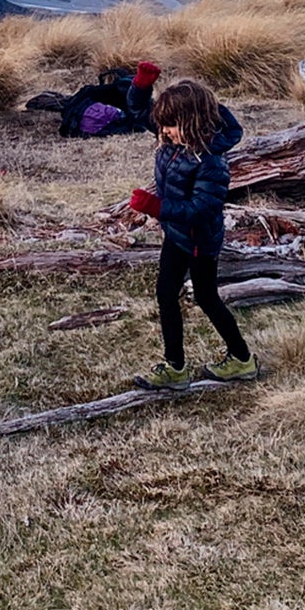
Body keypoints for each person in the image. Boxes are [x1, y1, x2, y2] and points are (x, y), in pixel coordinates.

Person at [125, 64, 258, 389]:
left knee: (206, 296)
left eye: (171, 125)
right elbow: (138, 110)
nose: (164, 131)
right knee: (167, 293)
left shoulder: (211, 161)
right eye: (163, 124)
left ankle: (240, 360)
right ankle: (177, 368)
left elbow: (200, 210)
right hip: (177, 234)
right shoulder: (175, 139)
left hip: (198, 240)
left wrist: (155, 207)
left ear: (192, 122)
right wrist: (142, 85)